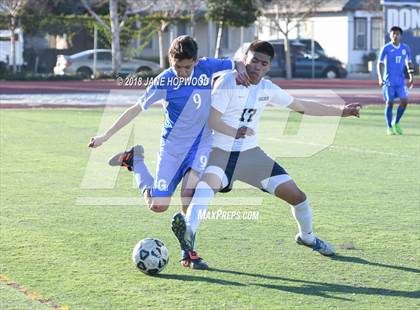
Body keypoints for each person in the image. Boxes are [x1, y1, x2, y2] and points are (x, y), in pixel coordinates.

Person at [171, 40, 361, 269]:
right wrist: (235, 132)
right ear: (245, 60)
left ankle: (307, 237)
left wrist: (341, 111)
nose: (257, 67)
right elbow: (212, 120)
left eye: (263, 63)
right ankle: (187, 250)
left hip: (252, 156)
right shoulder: (227, 83)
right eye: (254, 61)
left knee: (298, 197)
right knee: (202, 192)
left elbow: (301, 106)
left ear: (269, 66)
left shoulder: (267, 88)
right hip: (219, 153)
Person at [88, 35, 249, 262]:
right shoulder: (164, 81)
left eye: (187, 67)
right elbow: (135, 109)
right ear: (169, 60)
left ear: (195, 61)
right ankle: (135, 161)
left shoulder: (206, 67)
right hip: (172, 148)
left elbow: (236, 62)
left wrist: (241, 68)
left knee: (189, 193)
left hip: (200, 144)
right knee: (158, 206)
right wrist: (105, 135)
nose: (182, 72)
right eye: (177, 66)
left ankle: (187, 250)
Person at [377, 26, 414, 135]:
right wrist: (380, 77)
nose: (395, 35)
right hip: (389, 81)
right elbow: (380, 63)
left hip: (400, 81)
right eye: (393, 33)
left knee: (404, 101)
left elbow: (409, 62)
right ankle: (389, 127)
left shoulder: (405, 48)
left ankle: (396, 122)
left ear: (400, 36)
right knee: (389, 103)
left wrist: (411, 76)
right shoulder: (386, 48)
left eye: (397, 34)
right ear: (390, 35)